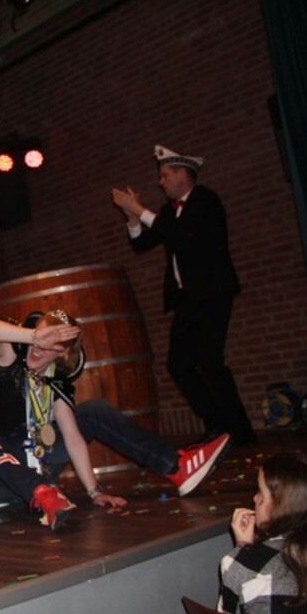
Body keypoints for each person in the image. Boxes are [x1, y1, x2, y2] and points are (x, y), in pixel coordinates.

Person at [0, 311, 231, 531]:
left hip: (35, 462)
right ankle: (41, 495)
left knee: (92, 411)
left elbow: (72, 435)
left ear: (63, 354)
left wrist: (94, 492)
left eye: (51, 345)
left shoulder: (55, 382)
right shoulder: (11, 361)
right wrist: (33, 334)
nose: (39, 349)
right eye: (39, 341)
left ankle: (177, 466)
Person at [112, 145, 255, 446]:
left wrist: (140, 208)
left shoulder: (205, 200)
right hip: (188, 299)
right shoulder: (169, 212)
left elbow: (181, 231)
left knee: (210, 361)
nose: (160, 182)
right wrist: (132, 217)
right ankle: (217, 424)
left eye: (164, 176)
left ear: (182, 175)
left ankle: (240, 430)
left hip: (213, 293)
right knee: (179, 365)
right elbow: (142, 244)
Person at [220, 452, 307, 614]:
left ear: (283, 506)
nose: (255, 499)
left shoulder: (246, 564)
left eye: (261, 493)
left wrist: (243, 551)